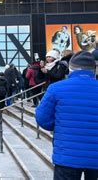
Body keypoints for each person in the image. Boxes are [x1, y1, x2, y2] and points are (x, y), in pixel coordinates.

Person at [36, 51, 98, 179]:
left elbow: (42, 118)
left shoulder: (55, 88)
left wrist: (60, 125)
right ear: (94, 69)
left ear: (70, 68)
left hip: (66, 155)